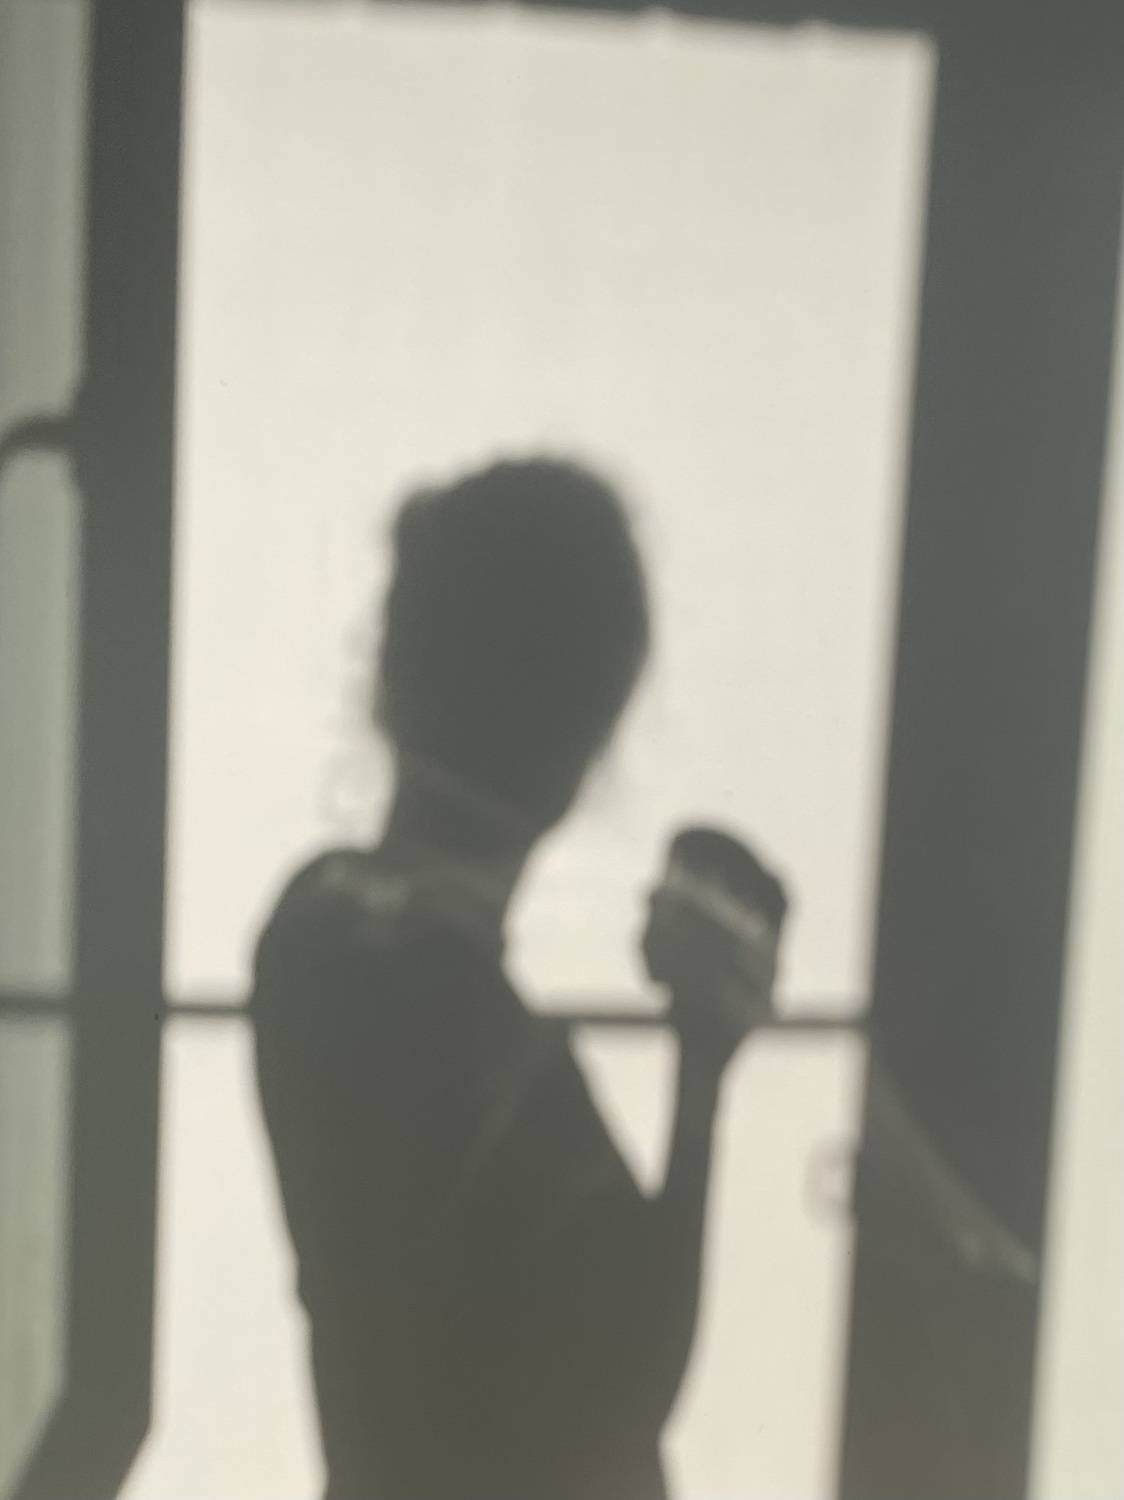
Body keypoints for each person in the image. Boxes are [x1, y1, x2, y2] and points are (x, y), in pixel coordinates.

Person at [250, 457, 780, 1500]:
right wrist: (703, 1058)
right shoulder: (435, 996)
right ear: (588, 747)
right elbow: (631, 1381)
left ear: (392, 676)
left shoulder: (326, 928)